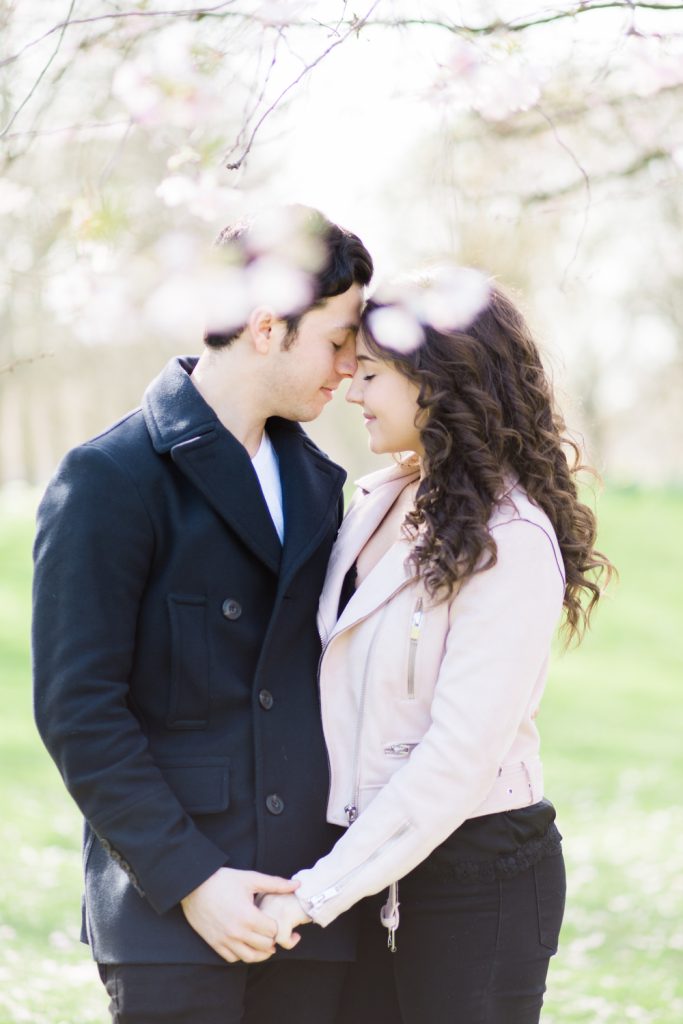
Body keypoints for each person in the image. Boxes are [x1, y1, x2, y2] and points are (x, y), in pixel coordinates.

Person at [31, 206, 373, 1024]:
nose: (353, 366)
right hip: (169, 913)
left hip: (307, 907)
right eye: (337, 339)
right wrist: (193, 880)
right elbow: (79, 712)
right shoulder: (108, 479)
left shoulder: (325, 489)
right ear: (266, 327)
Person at [261, 271, 614, 1023]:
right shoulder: (371, 501)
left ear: (437, 379)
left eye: (370, 374)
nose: (352, 393)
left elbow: (456, 758)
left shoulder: (510, 540)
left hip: (476, 873)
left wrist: (319, 889)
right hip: (370, 866)